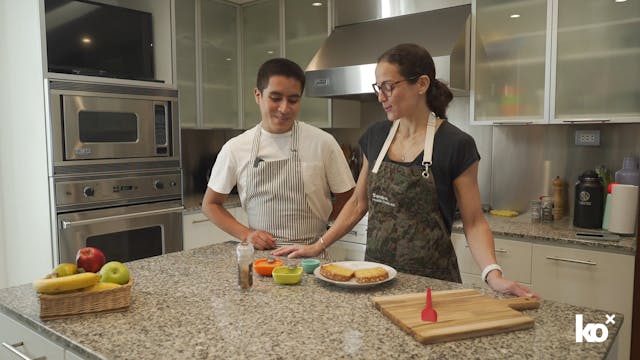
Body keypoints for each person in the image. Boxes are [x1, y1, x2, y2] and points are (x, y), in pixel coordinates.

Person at [273, 44, 535, 297]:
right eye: (378, 87)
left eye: (388, 86)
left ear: (421, 84)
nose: (380, 96)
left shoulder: (456, 144)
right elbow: (357, 203)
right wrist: (317, 246)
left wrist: (493, 274)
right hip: (373, 278)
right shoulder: (375, 136)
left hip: (432, 285)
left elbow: (474, 221)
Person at [202, 58, 355, 250]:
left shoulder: (323, 143)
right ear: (258, 95)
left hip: (311, 257)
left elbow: (349, 198)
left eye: (293, 100)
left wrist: (325, 231)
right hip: (260, 259)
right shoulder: (236, 148)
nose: (284, 108)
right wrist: (247, 234)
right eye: (275, 98)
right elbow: (211, 204)